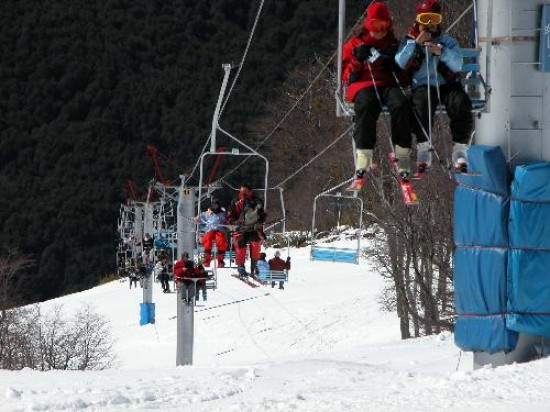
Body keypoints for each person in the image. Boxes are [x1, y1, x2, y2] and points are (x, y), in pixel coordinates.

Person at [342, 1, 414, 190]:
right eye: (376, 26)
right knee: (366, 103)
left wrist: (395, 66)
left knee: (400, 103)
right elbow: (347, 77)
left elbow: (404, 77)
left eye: (384, 26)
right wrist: (358, 60)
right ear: (368, 24)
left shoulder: (392, 45)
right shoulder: (355, 44)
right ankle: (364, 156)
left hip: (388, 85)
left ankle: (402, 154)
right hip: (363, 85)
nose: (380, 31)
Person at [395, 0, 473, 173]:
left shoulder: (446, 41)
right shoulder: (410, 40)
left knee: (460, 102)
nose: (429, 25)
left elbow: (458, 64)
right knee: (421, 104)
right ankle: (424, 147)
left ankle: (459, 148)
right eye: (425, 19)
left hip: (446, 85)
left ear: (439, 21)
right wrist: (415, 44)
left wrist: (442, 52)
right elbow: (399, 62)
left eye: (434, 20)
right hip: (422, 85)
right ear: (418, 20)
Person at [227, 184, 267, 278]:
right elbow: (230, 216)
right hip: (240, 229)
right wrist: (235, 222)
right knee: (240, 243)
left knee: (256, 243)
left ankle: (255, 265)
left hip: (253, 228)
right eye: (241, 192)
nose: (243, 194)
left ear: (250, 192)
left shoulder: (257, 202)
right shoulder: (235, 202)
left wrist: (260, 222)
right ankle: (241, 267)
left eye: (245, 192)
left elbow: (262, 215)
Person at [196, 198, 228, 267]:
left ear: (219, 205)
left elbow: (226, 220)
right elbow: (201, 217)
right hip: (210, 229)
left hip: (219, 230)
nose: (215, 207)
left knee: (221, 240)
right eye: (213, 205)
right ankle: (207, 260)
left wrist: (228, 223)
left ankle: (220, 260)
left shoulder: (222, 213)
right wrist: (198, 218)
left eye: (216, 205)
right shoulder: (209, 212)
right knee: (207, 239)